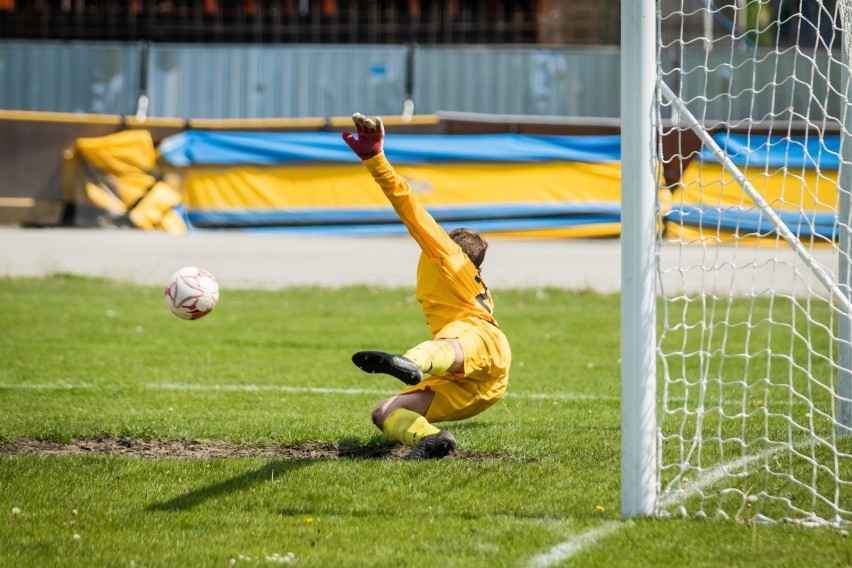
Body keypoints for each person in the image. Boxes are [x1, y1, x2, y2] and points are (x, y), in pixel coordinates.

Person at [342, 113, 512, 460]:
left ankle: (410, 361)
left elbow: (408, 204)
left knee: (445, 345)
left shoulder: (449, 258)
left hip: (476, 342)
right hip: (480, 386)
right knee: (384, 411)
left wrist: (376, 158)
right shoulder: (472, 282)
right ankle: (430, 438)